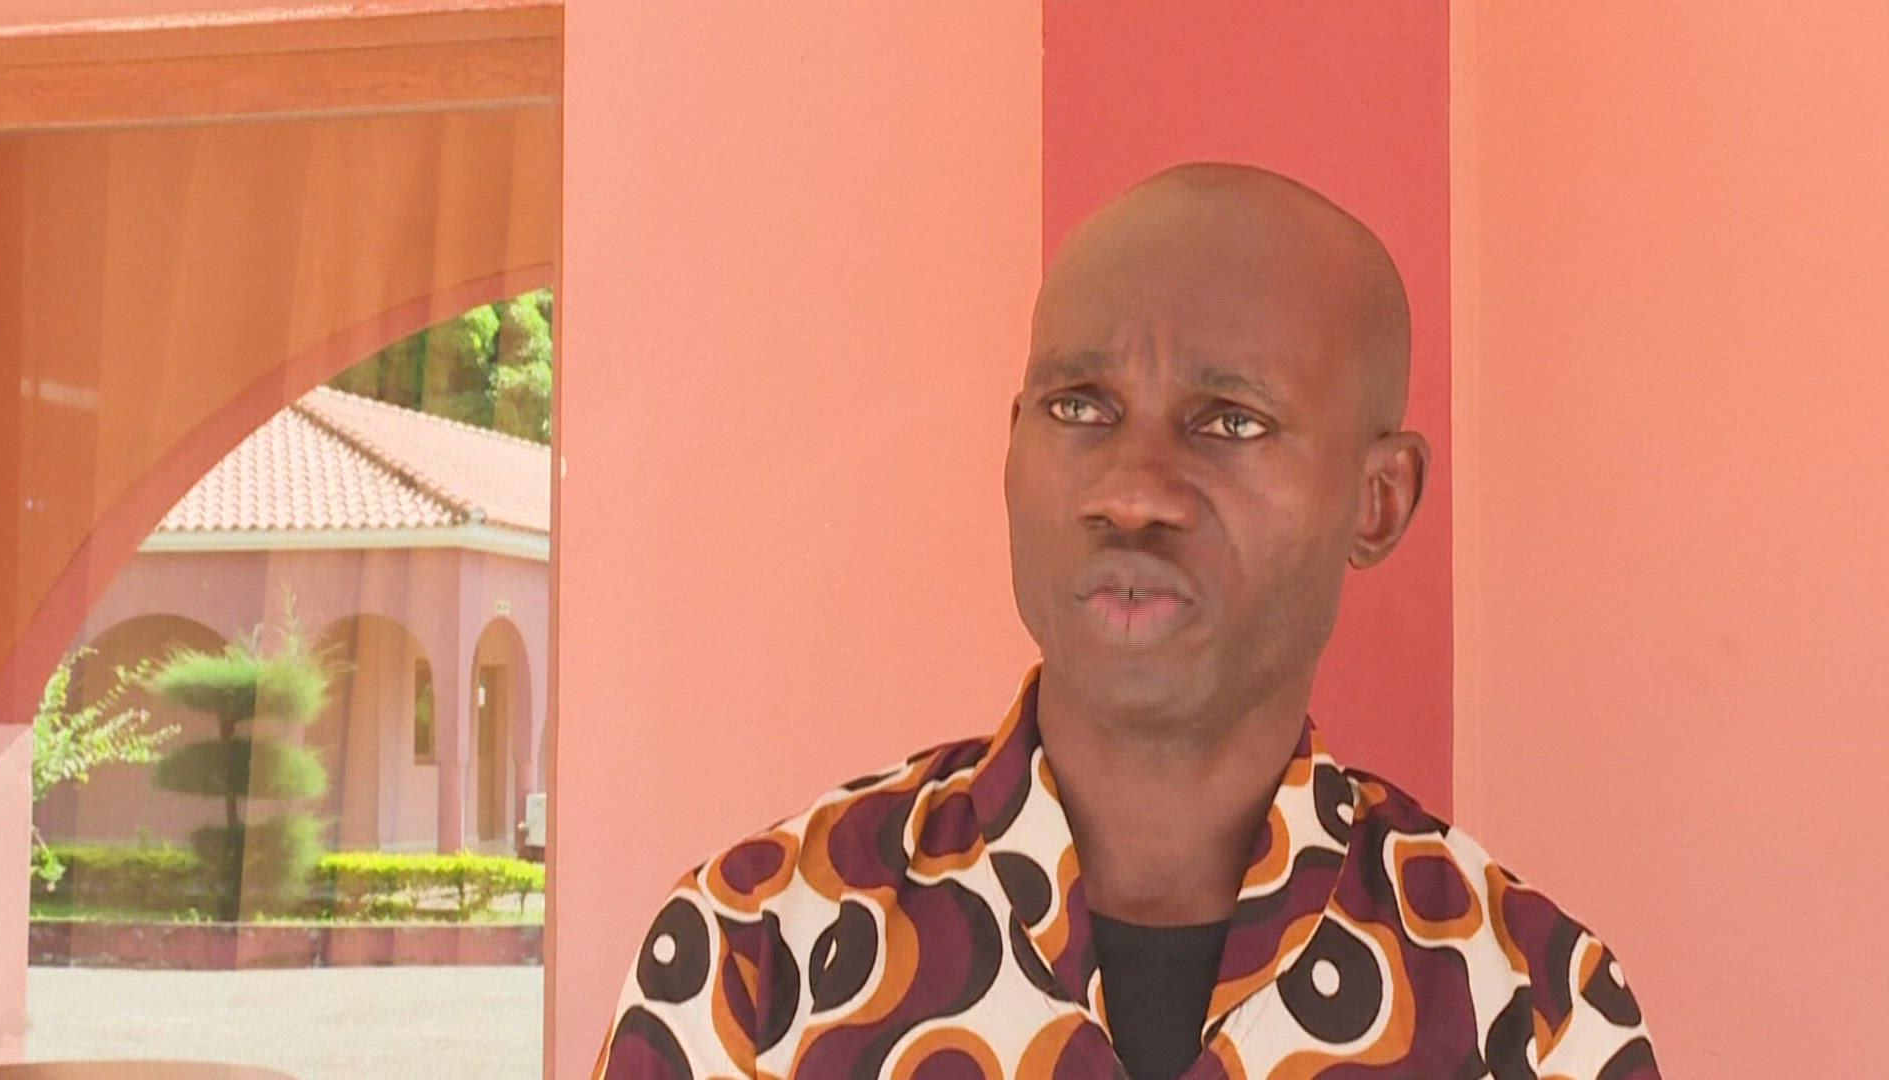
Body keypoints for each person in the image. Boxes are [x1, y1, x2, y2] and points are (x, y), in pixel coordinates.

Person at [594, 163, 1658, 1080]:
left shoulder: (1529, 1008)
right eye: (1079, 407)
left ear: (1377, 501)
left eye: (1230, 422)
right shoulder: (760, 955)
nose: (1132, 492)